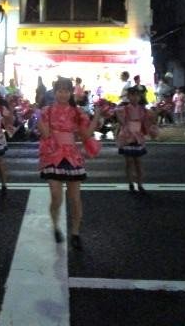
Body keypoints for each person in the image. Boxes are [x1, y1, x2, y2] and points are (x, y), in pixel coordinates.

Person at [37, 77, 101, 250]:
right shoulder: (47, 111)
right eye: (60, 90)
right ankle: (56, 225)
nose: (63, 94)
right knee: (56, 196)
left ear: (71, 92)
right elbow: (45, 135)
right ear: (54, 92)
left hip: (72, 156)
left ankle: (75, 233)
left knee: (75, 198)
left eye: (66, 90)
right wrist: (38, 119)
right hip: (53, 155)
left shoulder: (77, 112)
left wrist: (96, 118)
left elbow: (85, 135)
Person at [115, 86, 158, 194]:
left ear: (140, 97)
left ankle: (139, 184)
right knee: (129, 162)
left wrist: (155, 114)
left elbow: (150, 120)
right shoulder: (123, 109)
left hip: (137, 135)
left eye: (137, 95)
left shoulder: (143, 109)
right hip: (127, 135)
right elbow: (119, 119)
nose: (135, 98)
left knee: (138, 162)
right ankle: (130, 183)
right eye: (132, 95)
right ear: (128, 97)